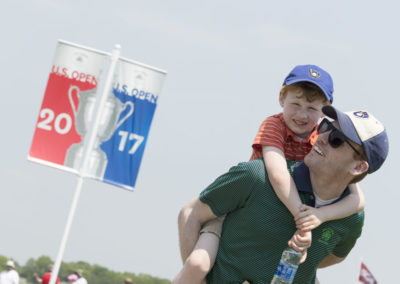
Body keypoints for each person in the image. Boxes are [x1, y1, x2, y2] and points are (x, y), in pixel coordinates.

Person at [173, 65, 365, 283]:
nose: (302, 114)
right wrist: (303, 219)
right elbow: (277, 174)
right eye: (295, 104)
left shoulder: (321, 140)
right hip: (234, 210)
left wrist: (321, 216)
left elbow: (358, 199)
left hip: (281, 216)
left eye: (311, 108)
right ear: (281, 98)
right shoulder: (274, 125)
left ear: (324, 110)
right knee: (198, 264)